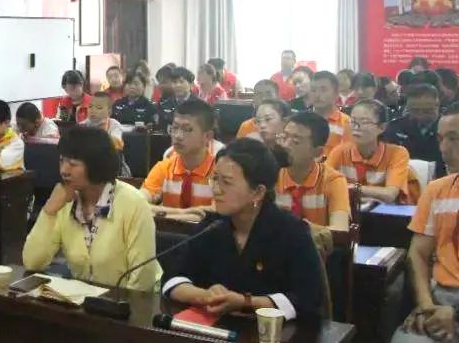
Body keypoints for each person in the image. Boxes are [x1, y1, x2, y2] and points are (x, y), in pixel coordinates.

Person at [162, 138, 324, 322]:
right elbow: (173, 280)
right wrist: (205, 296)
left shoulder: (291, 231)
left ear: (258, 192)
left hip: (274, 333)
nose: (216, 190)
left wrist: (246, 303)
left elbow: (308, 299)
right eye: (215, 179)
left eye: (226, 182)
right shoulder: (212, 226)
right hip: (218, 330)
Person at [386, 104, 459, 343]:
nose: (444, 148)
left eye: (454, 139)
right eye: (441, 139)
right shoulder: (437, 190)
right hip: (441, 300)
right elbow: (417, 254)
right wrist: (427, 304)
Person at [23, 127, 161, 290]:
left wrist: (116, 305)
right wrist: (48, 212)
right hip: (82, 298)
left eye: (73, 164)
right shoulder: (64, 201)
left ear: (96, 165)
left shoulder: (133, 203)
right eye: (61, 161)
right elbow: (32, 263)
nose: (63, 170)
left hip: (128, 300)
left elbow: (142, 279)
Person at [142, 99, 217, 223]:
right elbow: (139, 204)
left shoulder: (219, 172)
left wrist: (159, 212)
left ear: (207, 136)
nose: (178, 136)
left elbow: (213, 215)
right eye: (175, 127)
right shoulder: (164, 167)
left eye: (187, 129)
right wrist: (185, 213)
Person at [276, 112, 351, 231]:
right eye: (284, 137)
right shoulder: (271, 174)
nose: (286, 145)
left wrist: (300, 228)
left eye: (296, 141)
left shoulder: (332, 180)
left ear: (317, 152)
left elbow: (340, 229)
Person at [326, 99, 411, 204]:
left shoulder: (397, 153)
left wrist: (352, 188)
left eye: (364, 122)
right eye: (353, 121)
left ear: (382, 127)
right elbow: (324, 186)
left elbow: (389, 194)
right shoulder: (339, 152)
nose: (356, 127)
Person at [384, 83, 445, 178]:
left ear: (437, 105)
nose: (420, 115)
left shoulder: (449, 127)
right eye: (415, 110)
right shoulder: (396, 128)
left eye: (427, 111)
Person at [309, 71, 353, 154]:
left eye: (323, 90)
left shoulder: (347, 123)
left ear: (336, 93)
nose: (317, 95)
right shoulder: (303, 121)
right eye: (313, 90)